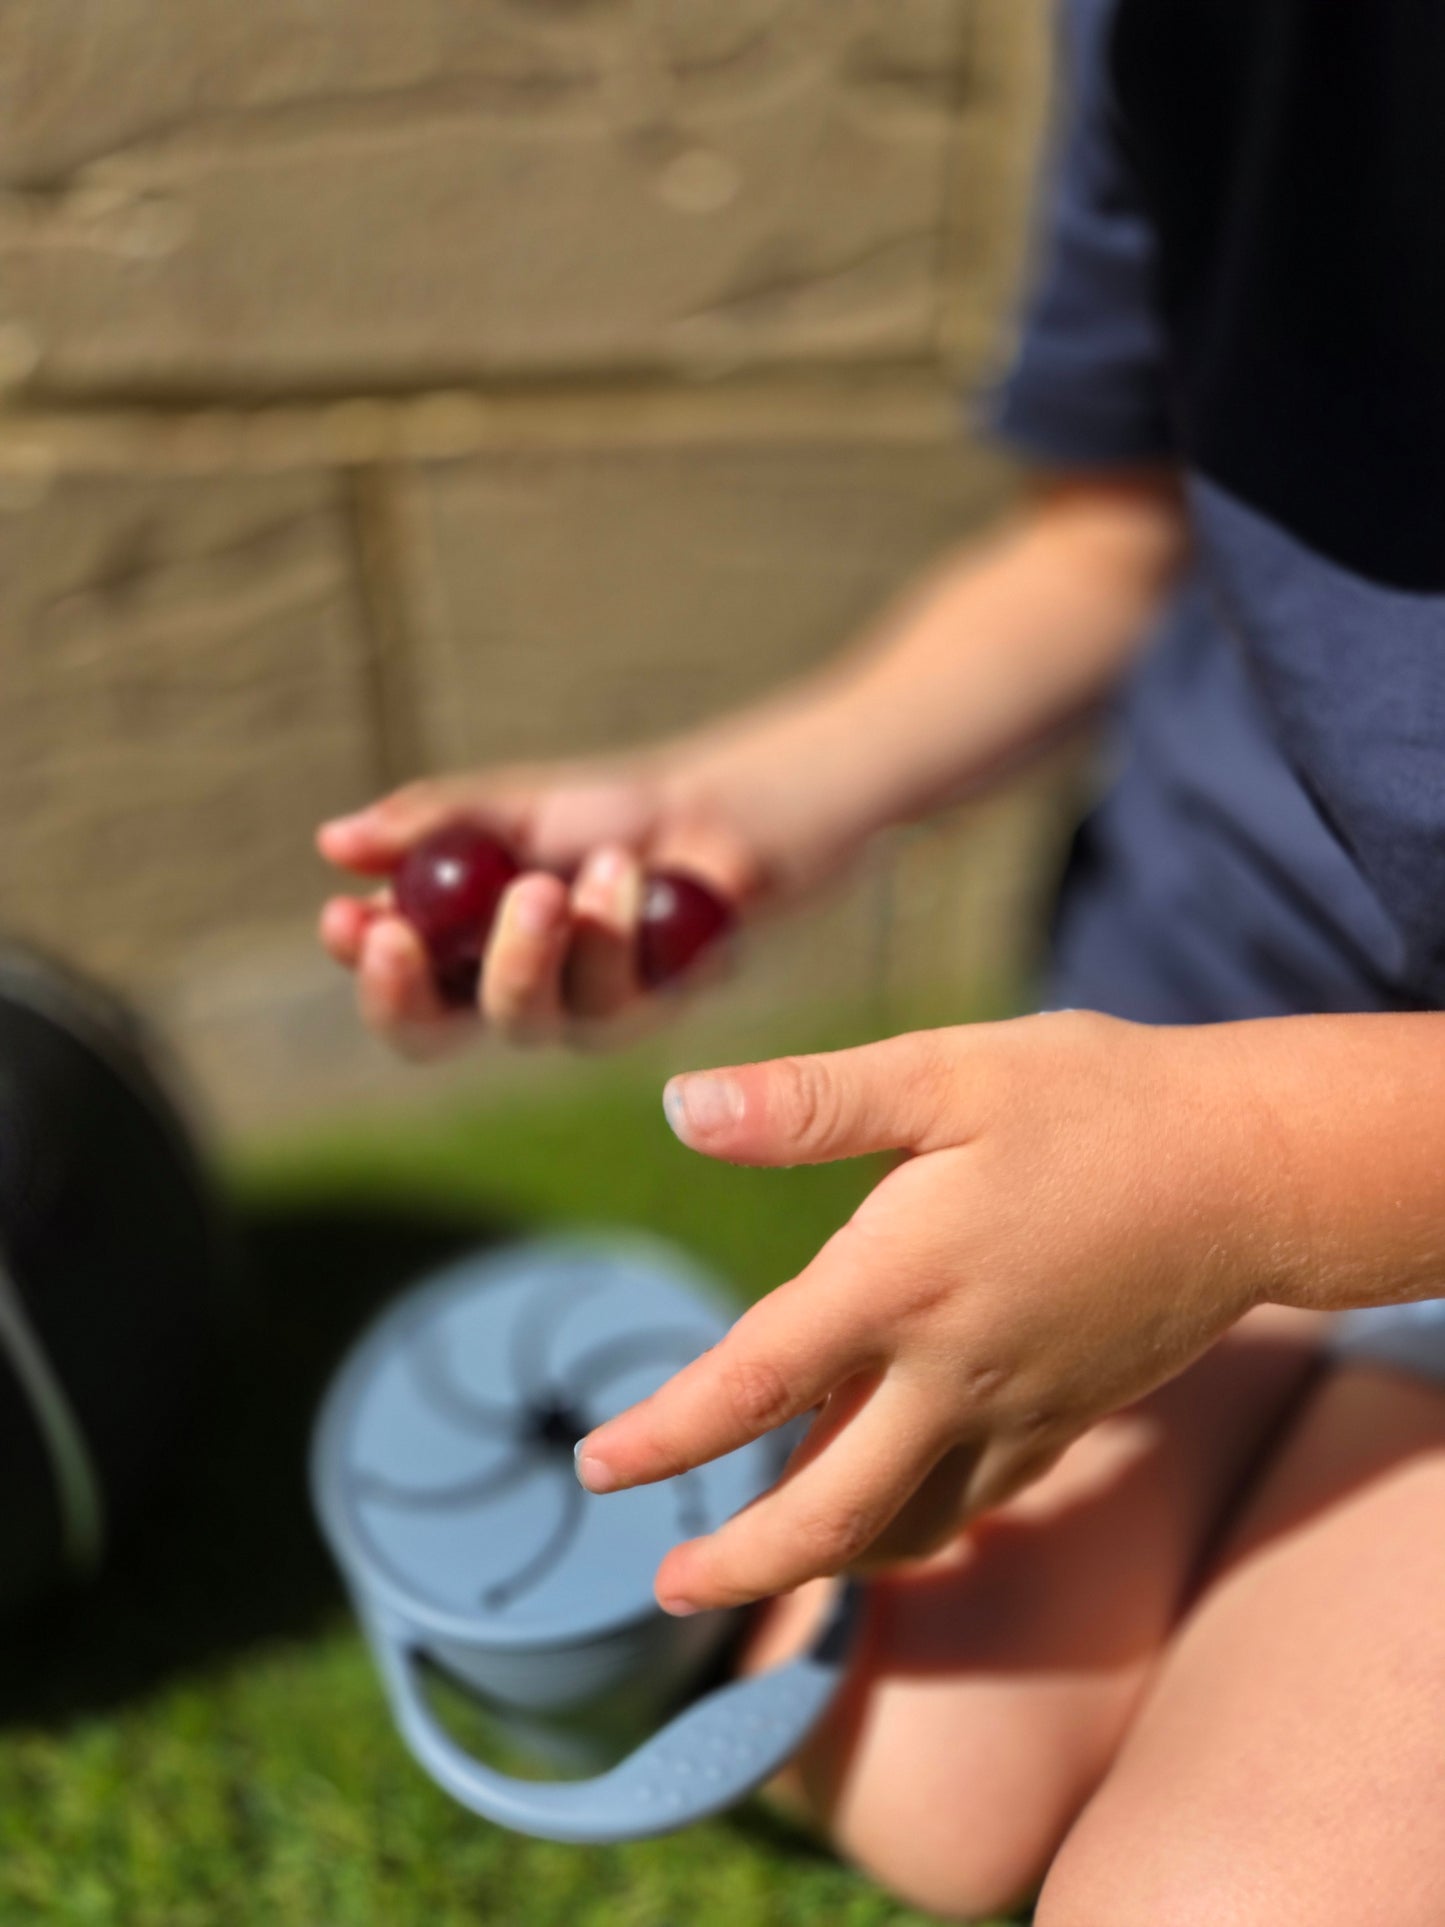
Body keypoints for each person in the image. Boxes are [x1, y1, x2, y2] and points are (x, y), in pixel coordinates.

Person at [317, 2, 1445, 1917]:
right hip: (1215, 1004)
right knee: (923, 1777)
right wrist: (744, 803)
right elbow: (1108, 536)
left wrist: (1264, 1174)